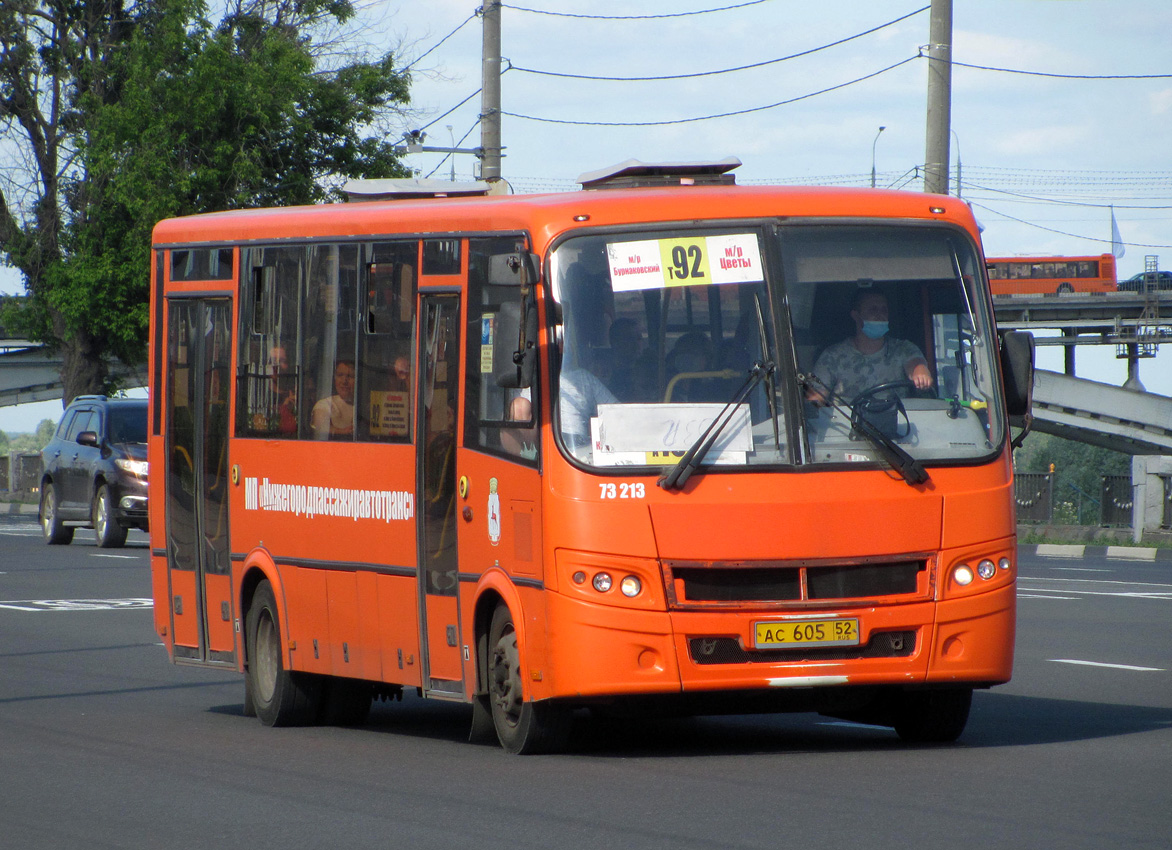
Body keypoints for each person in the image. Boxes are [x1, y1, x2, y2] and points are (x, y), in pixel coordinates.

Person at [807, 289, 932, 404]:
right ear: (856, 316)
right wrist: (816, 405)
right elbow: (815, 399)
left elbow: (916, 365)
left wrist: (920, 374)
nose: (880, 315)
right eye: (873, 310)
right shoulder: (832, 356)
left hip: (900, 425)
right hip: (847, 426)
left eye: (884, 310)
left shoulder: (904, 349)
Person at [311, 359, 356, 439]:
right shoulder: (324, 404)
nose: (344, 381)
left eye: (350, 376)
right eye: (340, 375)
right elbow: (321, 427)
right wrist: (344, 432)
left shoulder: (364, 407)